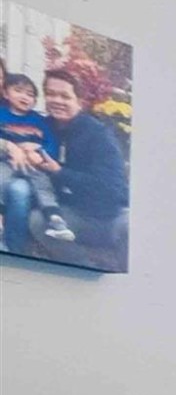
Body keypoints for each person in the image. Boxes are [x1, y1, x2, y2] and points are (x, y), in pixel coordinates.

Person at [36, 64, 126, 268]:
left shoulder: (98, 134)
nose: (57, 100)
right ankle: (84, 267)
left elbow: (111, 188)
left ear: (79, 101)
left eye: (65, 96)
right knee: (36, 221)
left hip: (108, 216)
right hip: (70, 213)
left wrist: (59, 172)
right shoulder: (42, 127)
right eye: (50, 94)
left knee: (131, 229)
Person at [0, 69, 68, 251]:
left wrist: (38, 150)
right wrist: (9, 148)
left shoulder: (40, 121)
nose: (25, 97)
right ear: (6, 93)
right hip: (7, 163)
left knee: (43, 185)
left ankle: (55, 218)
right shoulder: (1, 114)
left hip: (32, 165)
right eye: (18, 91)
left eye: (30, 94)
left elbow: (51, 145)